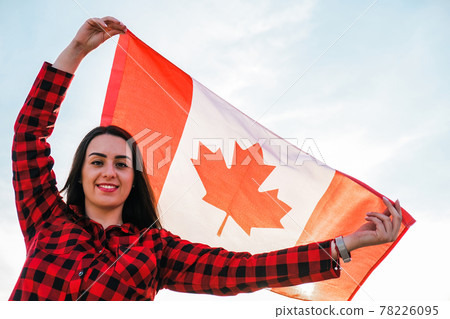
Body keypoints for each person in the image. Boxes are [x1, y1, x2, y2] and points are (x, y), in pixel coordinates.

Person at [10, 17, 402, 301]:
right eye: (97, 161)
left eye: (122, 163)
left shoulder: (156, 250)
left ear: (135, 178)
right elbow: (30, 134)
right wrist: (76, 51)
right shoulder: (46, 218)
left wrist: (344, 244)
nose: (108, 172)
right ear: (79, 173)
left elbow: (243, 270)